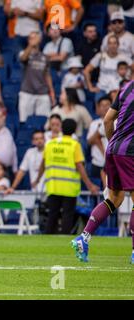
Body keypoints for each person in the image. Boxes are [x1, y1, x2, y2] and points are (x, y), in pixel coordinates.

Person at [72, 80, 134, 264]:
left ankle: (83, 237)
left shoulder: (126, 88)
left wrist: (113, 145)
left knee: (115, 198)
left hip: (113, 149)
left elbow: (107, 120)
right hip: (130, 152)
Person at [33, 119, 99, 235]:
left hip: (53, 186)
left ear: (62, 129)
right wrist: (89, 185)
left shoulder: (51, 144)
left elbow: (43, 164)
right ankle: (64, 239)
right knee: (67, 215)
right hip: (69, 187)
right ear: (74, 130)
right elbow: (80, 166)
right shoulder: (75, 145)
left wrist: (37, 179)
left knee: (52, 214)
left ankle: (48, 238)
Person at [18, 31, 55, 123]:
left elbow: (47, 75)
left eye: (35, 38)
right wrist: (31, 46)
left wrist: (52, 92)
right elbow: (23, 59)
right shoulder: (23, 53)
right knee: (24, 121)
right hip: (27, 92)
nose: (33, 40)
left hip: (42, 93)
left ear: (40, 40)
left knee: (45, 121)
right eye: (31, 38)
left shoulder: (44, 57)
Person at [84, 35, 132, 103]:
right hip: (102, 88)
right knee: (100, 111)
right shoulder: (100, 56)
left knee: (116, 112)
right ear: (107, 45)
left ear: (118, 45)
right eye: (110, 43)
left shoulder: (124, 57)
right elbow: (86, 70)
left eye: (114, 43)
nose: (112, 45)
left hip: (117, 89)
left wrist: (131, 83)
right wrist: (90, 87)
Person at [87, 96, 111, 186]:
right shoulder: (94, 123)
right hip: (97, 163)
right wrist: (98, 134)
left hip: (112, 163)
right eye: (102, 105)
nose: (105, 107)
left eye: (108, 105)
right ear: (98, 108)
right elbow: (89, 141)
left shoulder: (116, 122)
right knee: (96, 194)